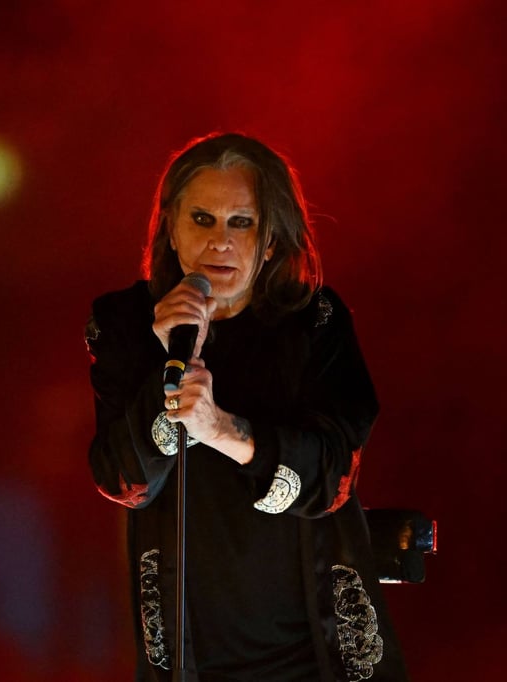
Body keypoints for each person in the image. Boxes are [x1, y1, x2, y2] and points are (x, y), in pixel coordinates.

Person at [85, 132, 408, 681]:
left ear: (273, 238)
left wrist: (220, 428)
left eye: (242, 222)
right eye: (202, 219)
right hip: (189, 658)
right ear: (171, 227)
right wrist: (170, 368)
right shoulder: (125, 324)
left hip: (316, 654)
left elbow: (331, 476)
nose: (220, 242)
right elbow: (122, 478)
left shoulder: (316, 322)